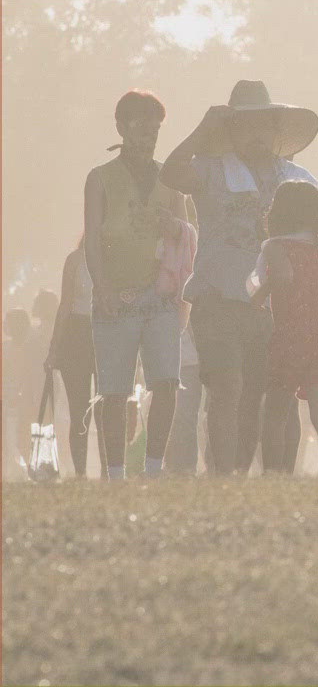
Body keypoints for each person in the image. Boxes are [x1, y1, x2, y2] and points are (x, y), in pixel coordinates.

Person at [161, 80, 318, 475]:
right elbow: (170, 173)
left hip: (276, 306)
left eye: (264, 125)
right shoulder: (211, 169)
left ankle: (262, 474)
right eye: (246, 126)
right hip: (218, 298)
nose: (257, 135)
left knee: (263, 396)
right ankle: (225, 477)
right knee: (226, 389)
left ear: (275, 129)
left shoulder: (298, 178)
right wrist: (202, 129)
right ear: (231, 131)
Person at [85, 89, 196, 478]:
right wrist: (103, 289)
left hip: (161, 298)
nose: (148, 132)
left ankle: (152, 469)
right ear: (121, 126)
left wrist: (174, 227)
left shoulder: (171, 180)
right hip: (116, 297)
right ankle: (115, 474)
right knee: (114, 393)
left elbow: (187, 237)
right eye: (139, 123)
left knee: (166, 384)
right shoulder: (100, 179)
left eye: (155, 126)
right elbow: (93, 241)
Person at [248, 181, 318, 477]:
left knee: (276, 411)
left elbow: (284, 277)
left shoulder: (277, 247)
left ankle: (274, 472)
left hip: (289, 336)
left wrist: (259, 294)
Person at [46, 241, 96, 478]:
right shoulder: (76, 260)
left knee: (109, 405)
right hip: (77, 335)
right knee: (80, 409)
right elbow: (65, 303)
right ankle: (81, 471)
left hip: (106, 331)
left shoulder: (116, 255)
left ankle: (111, 468)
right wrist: (54, 347)